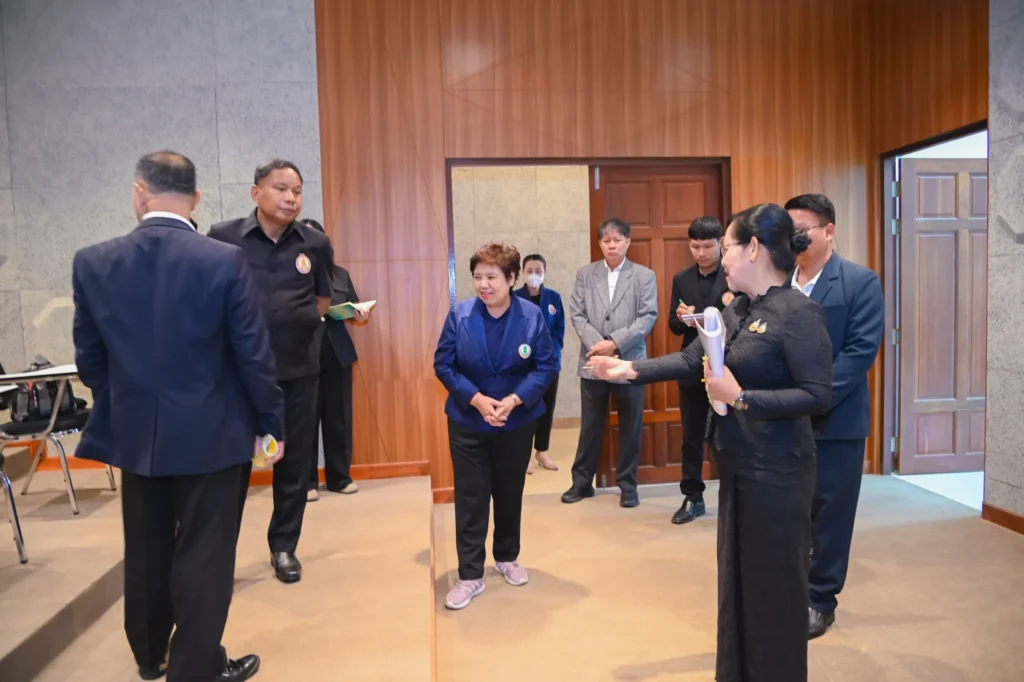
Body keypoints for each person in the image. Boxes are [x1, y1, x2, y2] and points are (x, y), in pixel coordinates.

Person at [586, 203, 833, 682]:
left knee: (773, 589)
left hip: (778, 473)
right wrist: (629, 369)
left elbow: (817, 396)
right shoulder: (738, 307)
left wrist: (742, 398)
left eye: (728, 248)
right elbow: (691, 358)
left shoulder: (799, 313)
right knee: (738, 580)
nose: (722, 259)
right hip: (739, 466)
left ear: (754, 249)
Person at [72, 151, 281, 682]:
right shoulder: (225, 260)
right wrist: (270, 421)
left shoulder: (93, 262)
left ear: (139, 193)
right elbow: (252, 353)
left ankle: (149, 656)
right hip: (215, 434)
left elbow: (90, 359)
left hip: (136, 436)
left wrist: (128, 404)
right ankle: (194, 668)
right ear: (196, 198)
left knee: (145, 549)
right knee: (205, 555)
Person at [209, 160, 334, 584]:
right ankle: (218, 555)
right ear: (255, 192)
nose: (290, 198)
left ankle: (283, 546)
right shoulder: (223, 238)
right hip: (239, 376)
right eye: (280, 189)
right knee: (232, 465)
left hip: (298, 371)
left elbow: (322, 300)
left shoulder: (315, 243)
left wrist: (295, 327)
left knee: (294, 463)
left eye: (297, 191)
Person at [433, 243, 558, 610]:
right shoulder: (460, 315)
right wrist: (476, 399)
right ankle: (470, 574)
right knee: (471, 496)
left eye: (492, 277)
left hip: (515, 421)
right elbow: (443, 364)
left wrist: (515, 400)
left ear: (511, 278)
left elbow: (546, 366)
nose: (483, 285)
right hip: (468, 420)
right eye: (478, 277)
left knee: (509, 490)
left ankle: (507, 555)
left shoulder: (532, 316)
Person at [785, 194, 884, 639]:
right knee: (791, 511)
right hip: (782, 419)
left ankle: (820, 599)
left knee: (830, 515)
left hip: (836, 422)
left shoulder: (859, 282)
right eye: (788, 230)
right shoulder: (778, 282)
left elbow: (860, 351)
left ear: (828, 231)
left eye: (801, 230)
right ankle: (790, 589)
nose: (794, 238)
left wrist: (813, 397)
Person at [561, 218, 657, 508]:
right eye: (606, 241)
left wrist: (614, 343)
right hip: (593, 361)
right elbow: (577, 314)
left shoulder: (644, 276)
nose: (612, 245)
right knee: (590, 425)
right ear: (600, 244)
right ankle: (582, 483)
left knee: (630, 424)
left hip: (629, 362)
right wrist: (599, 346)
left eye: (617, 240)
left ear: (628, 241)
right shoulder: (585, 274)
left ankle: (628, 485)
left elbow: (647, 316)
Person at [300, 218, 369, 501]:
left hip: (337, 354)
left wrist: (358, 313)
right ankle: (306, 482)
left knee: (338, 418)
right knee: (304, 419)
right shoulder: (292, 273)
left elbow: (354, 306)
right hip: (302, 354)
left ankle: (339, 478)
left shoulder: (339, 274)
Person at [667, 216, 728, 525]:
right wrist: (682, 317)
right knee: (691, 436)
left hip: (728, 367)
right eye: (695, 246)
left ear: (720, 244)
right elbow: (673, 325)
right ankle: (693, 496)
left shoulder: (733, 274)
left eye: (707, 246)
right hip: (692, 368)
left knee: (729, 435)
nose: (701, 253)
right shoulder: (682, 279)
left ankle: (734, 497)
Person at [513, 253, 565, 474]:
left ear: (545, 272)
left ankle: (541, 450)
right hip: (523, 364)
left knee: (547, 407)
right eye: (529, 271)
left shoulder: (554, 298)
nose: (534, 275)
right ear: (522, 273)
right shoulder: (514, 298)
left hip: (549, 364)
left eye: (538, 271)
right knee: (525, 408)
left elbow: (559, 331)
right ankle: (523, 454)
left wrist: (550, 355)